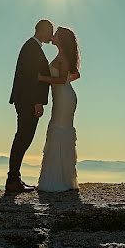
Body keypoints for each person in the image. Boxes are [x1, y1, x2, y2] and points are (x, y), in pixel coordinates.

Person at [6, 19, 54, 192]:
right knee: (23, 138)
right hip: (27, 101)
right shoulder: (32, 48)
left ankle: (14, 178)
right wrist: (37, 102)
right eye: (50, 32)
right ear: (42, 30)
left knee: (23, 138)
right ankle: (12, 180)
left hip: (25, 99)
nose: (52, 35)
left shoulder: (32, 47)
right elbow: (31, 78)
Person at [35, 26, 81, 192]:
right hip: (65, 98)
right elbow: (74, 76)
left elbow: (61, 79)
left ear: (60, 39)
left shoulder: (62, 58)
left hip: (63, 100)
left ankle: (57, 181)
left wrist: (42, 78)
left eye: (56, 34)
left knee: (58, 130)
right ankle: (64, 179)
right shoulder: (63, 56)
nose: (52, 36)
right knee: (61, 131)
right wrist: (65, 83)